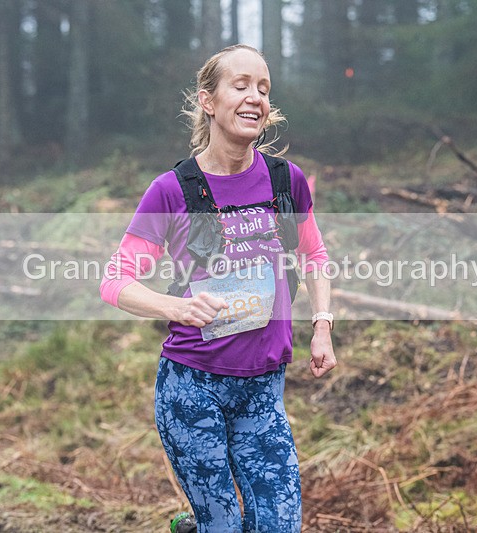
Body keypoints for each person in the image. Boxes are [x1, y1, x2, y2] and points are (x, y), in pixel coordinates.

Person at [100, 44, 336, 533]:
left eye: (263, 89)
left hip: (264, 388)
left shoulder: (285, 181)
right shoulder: (172, 190)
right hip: (192, 388)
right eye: (241, 85)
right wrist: (177, 307)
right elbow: (115, 281)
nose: (255, 97)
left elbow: (314, 256)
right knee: (222, 525)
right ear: (208, 101)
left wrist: (322, 327)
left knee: (279, 524)